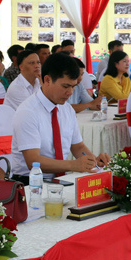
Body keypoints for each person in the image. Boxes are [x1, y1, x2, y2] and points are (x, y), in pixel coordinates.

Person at [12, 53, 110, 181]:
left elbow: (78, 147)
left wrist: (94, 162)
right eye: (65, 86)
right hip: (30, 181)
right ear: (47, 80)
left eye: (73, 86)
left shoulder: (66, 109)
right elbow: (33, 161)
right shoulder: (28, 111)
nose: (70, 92)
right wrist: (73, 165)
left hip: (60, 179)